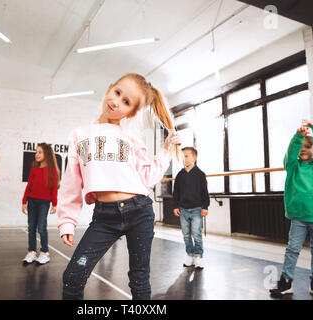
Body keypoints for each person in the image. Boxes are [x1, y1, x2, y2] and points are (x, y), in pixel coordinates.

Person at [57, 73, 181, 300]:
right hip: (105, 218)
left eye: (126, 102)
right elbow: (71, 182)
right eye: (117, 92)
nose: (116, 101)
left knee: (139, 279)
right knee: (73, 275)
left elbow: (146, 177)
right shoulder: (78, 135)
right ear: (109, 88)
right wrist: (67, 220)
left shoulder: (131, 139)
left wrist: (165, 152)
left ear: (130, 112)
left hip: (139, 211)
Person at [269, 119, 313, 300]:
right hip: (299, 217)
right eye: (301, 147)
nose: (303, 149)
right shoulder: (293, 167)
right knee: (292, 249)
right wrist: (299, 136)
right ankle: (286, 281)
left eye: (308, 146)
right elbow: (290, 154)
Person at [22, 143, 59, 265]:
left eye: (40, 152)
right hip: (32, 201)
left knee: (42, 227)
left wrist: (54, 204)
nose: (36, 154)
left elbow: (54, 189)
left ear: (46, 154)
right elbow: (28, 187)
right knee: (31, 227)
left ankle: (44, 252)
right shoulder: (34, 170)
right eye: (36, 152)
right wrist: (24, 201)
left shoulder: (52, 171)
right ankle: (31, 251)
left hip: (44, 203)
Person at [173, 147, 209, 269]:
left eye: (187, 156)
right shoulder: (180, 175)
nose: (184, 159)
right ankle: (190, 254)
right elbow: (176, 192)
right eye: (182, 156)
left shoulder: (200, 174)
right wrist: (175, 206)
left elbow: (205, 192)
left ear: (194, 157)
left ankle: (198, 256)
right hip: (183, 209)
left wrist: (205, 207)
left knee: (196, 234)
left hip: (197, 209)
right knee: (186, 235)